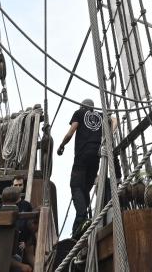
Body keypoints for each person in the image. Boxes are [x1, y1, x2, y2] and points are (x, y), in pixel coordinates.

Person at [56, 99, 104, 238]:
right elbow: (114, 120)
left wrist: (62, 145)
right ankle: (83, 222)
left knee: (76, 186)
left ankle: (82, 218)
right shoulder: (100, 116)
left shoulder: (79, 113)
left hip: (82, 155)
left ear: (82, 106)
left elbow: (71, 131)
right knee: (85, 189)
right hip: (96, 156)